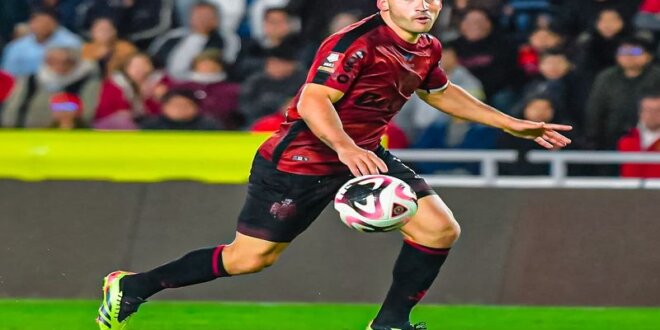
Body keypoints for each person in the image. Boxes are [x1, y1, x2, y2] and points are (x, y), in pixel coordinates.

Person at [96, 2, 572, 330]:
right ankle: (133, 286)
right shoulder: (355, 43)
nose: (425, 5)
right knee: (250, 259)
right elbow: (313, 100)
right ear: (385, 3)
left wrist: (509, 122)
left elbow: (438, 90)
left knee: (439, 230)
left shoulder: (426, 46)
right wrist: (345, 148)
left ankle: (389, 323)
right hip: (302, 161)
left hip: (363, 151)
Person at [585, 36, 660, 151]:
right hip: (610, 138)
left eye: (635, 51)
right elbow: (595, 109)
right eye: (623, 51)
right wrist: (593, 137)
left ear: (648, 56)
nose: (628, 56)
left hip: (650, 139)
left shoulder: (657, 77)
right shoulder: (606, 77)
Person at [2, 47, 99, 128]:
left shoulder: (88, 81)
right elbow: (13, 107)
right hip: (24, 133)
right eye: (53, 61)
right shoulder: (29, 80)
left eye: (66, 61)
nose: (60, 65)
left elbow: (89, 112)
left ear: (75, 62)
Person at [167, 50, 242, 129]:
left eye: (212, 64)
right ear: (195, 66)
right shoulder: (180, 87)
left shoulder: (233, 89)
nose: (208, 67)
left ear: (220, 67)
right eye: (203, 64)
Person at [1, 7, 82, 77]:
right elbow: (8, 74)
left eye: (45, 22)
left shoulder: (73, 42)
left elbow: (84, 70)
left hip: (64, 85)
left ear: (55, 23)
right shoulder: (15, 47)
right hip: (24, 87)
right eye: (37, 21)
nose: (40, 25)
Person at [93, 53, 161, 130]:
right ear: (126, 68)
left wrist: (151, 98)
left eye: (144, 65)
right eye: (135, 66)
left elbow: (156, 114)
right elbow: (104, 111)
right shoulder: (114, 85)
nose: (140, 69)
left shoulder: (156, 85)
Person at [618, 93, 660, 178]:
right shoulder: (626, 138)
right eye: (649, 110)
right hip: (628, 189)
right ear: (640, 113)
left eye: (657, 110)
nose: (653, 115)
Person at [140, 89, 220, 131]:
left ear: (196, 107)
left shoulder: (209, 125)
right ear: (164, 107)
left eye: (186, 105)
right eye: (176, 105)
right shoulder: (151, 126)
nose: (181, 109)